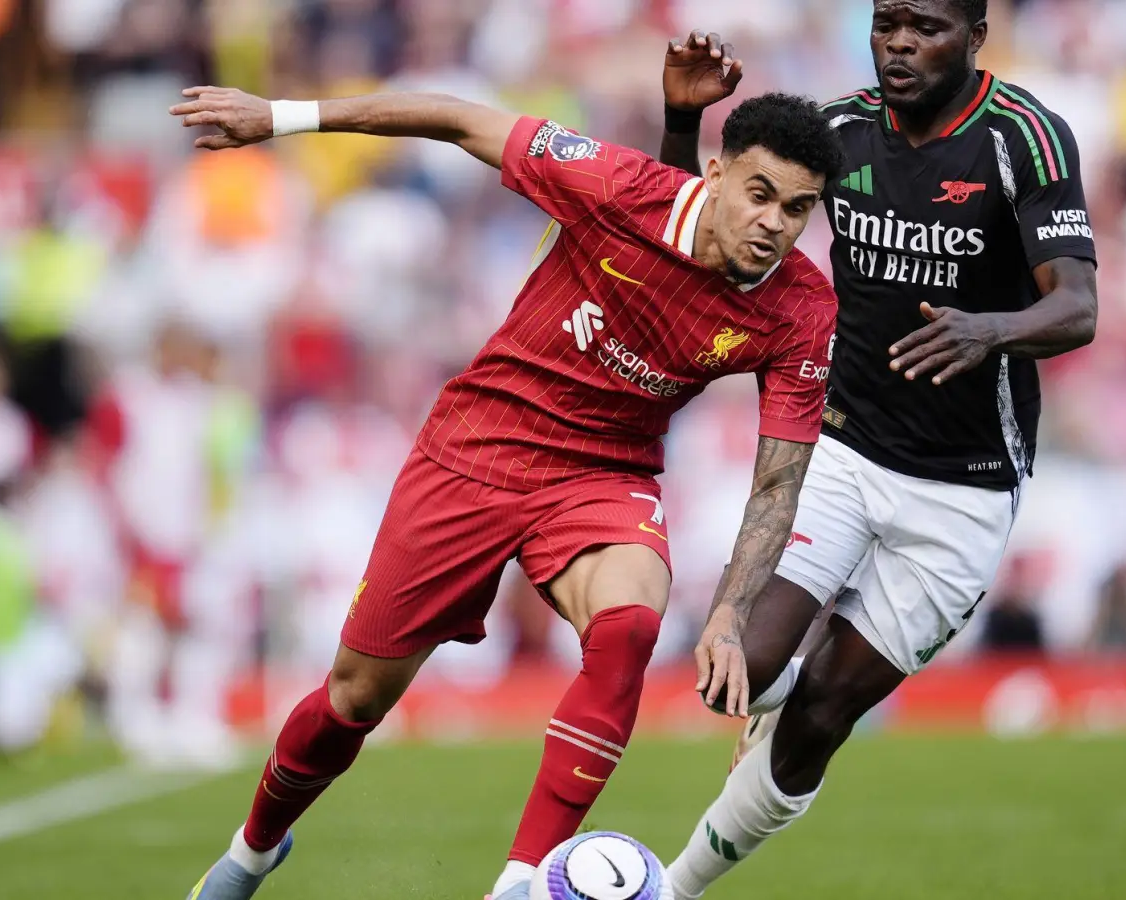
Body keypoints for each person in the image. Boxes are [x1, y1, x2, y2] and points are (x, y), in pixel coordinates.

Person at [167, 80, 843, 900]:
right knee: (354, 698)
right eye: (760, 194)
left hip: (605, 471)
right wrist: (279, 115)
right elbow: (457, 119)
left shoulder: (802, 309)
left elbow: (778, 480)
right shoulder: (616, 186)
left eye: (798, 208)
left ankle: (521, 883)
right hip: (476, 448)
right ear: (715, 173)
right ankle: (253, 850)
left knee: (630, 623)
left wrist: (731, 613)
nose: (774, 223)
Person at [652, 2, 1100, 895]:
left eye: (925, 25)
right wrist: (678, 123)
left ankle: (675, 884)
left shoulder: (1027, 139)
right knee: (743, 670)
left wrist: (992, 330)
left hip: (965, 489)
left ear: (976, 34)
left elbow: (1078, 307)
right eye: (886, 19)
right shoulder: (840, 132)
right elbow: (692, 243)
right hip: (843, 451)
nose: (899, 40)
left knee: (822, 710)